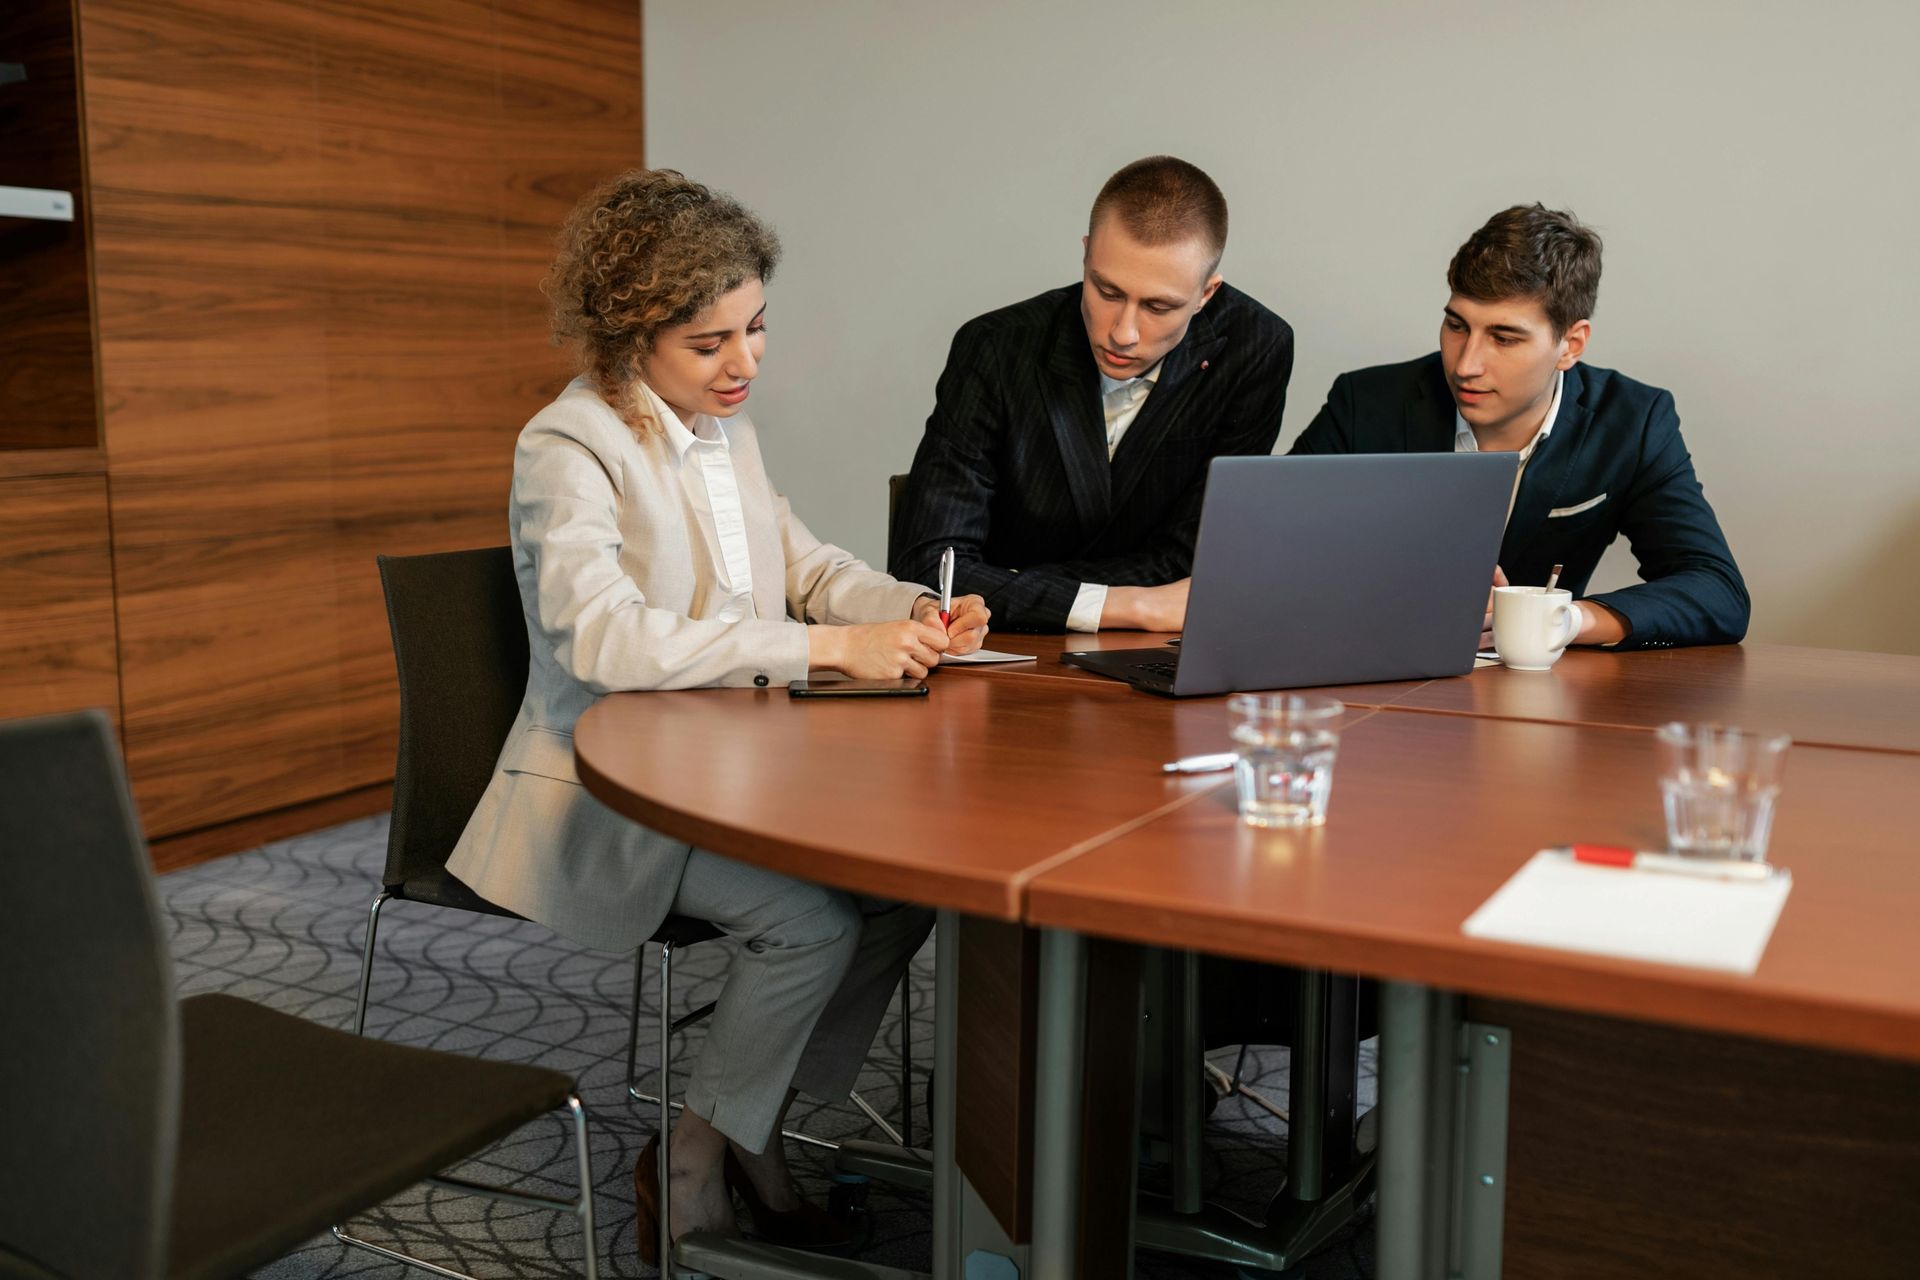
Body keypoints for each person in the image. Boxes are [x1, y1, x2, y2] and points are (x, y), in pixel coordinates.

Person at [446, 169, 991, 1259]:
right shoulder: (570, 446)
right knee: (814, 920)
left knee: (900, 895)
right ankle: (702, 1153)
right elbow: (600, 640)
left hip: (732, 766)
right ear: (628, 337)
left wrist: (909, 607)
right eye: (710, 341)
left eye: (756, 327)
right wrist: (830, 646)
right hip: (603, 789)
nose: (746, 362)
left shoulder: (721, 425)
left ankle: (750, 1123)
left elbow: (804, 563)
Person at [1290, 203, 1748, 649]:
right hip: (1369, 672)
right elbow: (1272, 553)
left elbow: (1717, 591)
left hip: (1536, 698)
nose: (1466, 365)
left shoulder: (1633, 421)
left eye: (1504, 338)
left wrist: (1564, 619)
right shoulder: (1365, 402)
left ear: (1570, 345)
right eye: (1457, 326)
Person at [890, 155, 1294, 633]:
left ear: (1207, 294)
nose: (1123, 333)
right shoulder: (995, 347)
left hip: (1151, 658)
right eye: (1106, 291)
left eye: (1159, 306)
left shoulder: (1256, 347)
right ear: (1085, 254)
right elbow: (930, 568)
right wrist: (1132, 606)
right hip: (998, 655)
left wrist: (1014, 587)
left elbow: (1194, 559)